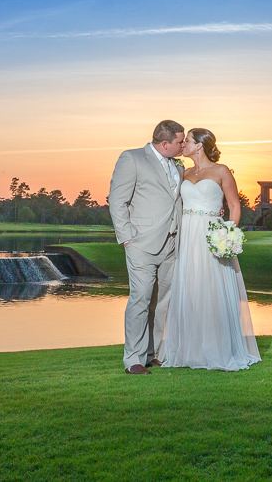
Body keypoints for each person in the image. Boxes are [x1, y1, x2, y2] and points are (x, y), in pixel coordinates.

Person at [159, 128, 261, 371]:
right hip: (188, 235)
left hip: (211, 235)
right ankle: (191, 350)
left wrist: (226, 235)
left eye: (188, 141)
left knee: (212, 289)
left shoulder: (221, 171)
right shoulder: (183, 173)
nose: (183, 145)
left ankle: (219, 349)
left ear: (200, 146)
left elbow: (235, 206)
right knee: (191, 289)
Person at [109, 120, 185, 375]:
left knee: (163, 302)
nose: (183, 146)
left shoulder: (177, 165)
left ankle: (153, 354)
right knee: (140, 299)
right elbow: (118, 201)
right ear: (165, 144)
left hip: (172, 243)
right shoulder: (132, 159)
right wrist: (128, 237)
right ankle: (133, 359)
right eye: (179, 142)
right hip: (141, 243)